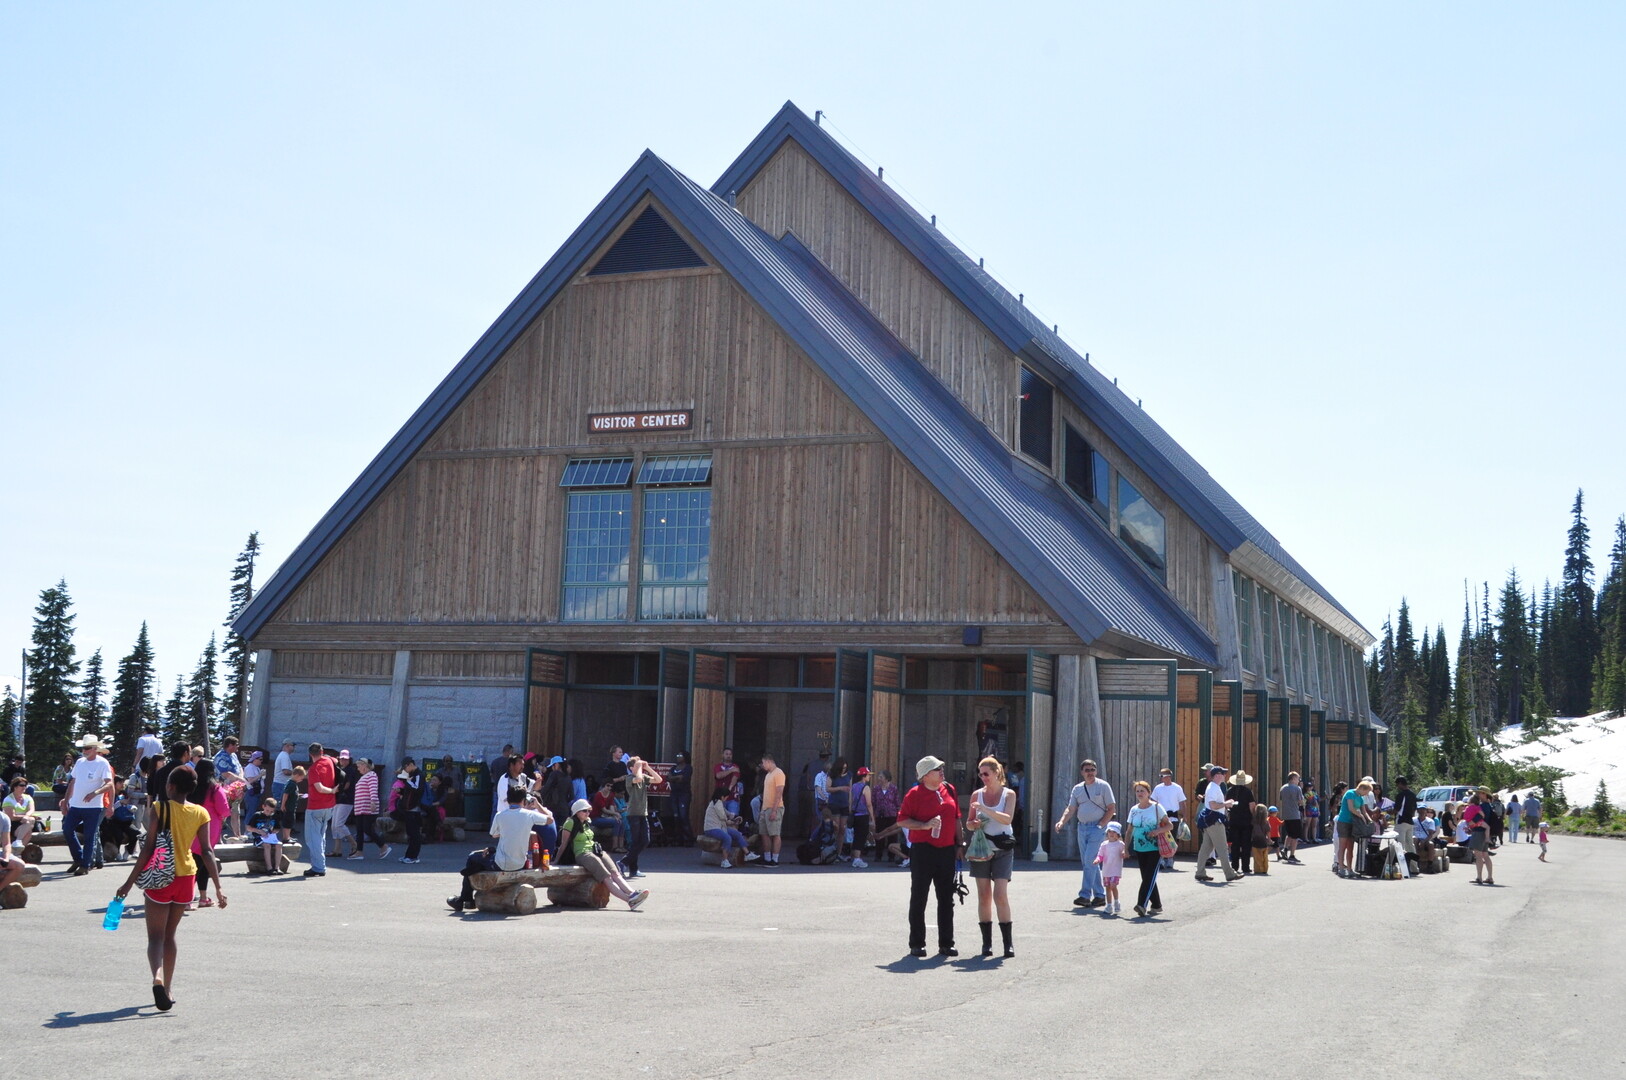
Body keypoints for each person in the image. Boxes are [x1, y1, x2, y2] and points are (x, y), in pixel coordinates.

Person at [115, 764, 226, 1012]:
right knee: (170, 935)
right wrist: (218, 888)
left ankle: (157, 977)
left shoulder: (159, 808)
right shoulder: (200, 813)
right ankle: (168, 988)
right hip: (186, 877)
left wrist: (129, 882)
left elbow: (148, 848)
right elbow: (207, 851)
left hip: (160, 876)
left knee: (155, 937)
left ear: (171, 786)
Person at [447, 785, 554, 912]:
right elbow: (550, 819)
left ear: (508, 800)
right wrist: (537, 805)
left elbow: (494, 834)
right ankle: (466, 898)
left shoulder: (500, 815)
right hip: (520, 863)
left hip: (501, 864)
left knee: (472, 857)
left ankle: (465, 899)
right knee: (482, 860)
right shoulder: (530, 815)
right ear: (524, 800)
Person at [899, 755, 961, 958]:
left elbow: (956, 818)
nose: (942, 771)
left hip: (946, 851)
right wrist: (924, 825)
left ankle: (946, 943)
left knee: (946, 898)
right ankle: (917, 943)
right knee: (919, 897)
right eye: (937, 769)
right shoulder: (914, 794)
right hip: (923, 850)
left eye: (941, 767)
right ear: (925, 775)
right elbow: (902, 820)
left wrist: (960, 844)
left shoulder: (949, 789)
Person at [966, 756, 1016, 956]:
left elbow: (1007, 819)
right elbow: (969, 822)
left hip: (1003, 849)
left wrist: (985, 810)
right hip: (981, 849)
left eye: (986, 773)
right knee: (984, 895)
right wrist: (973, 824)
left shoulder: (1008, 794)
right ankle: (987, 943)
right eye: (980, 774)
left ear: (997, 773)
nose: (983, 777)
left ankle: (1008, 943)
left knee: (1000, 894)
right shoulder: (976, 795)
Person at [557, 799, 648, 908]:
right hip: (582, 853)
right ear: (577, 811)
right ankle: (629, 900)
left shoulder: (587, 821)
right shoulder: (570, 822)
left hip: (595, 851)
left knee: (615, 872)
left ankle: (633, 893)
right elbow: (563, 844)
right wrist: (556, 860)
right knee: (606, 876)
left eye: (588, 811)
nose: (587, 813)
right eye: (584, 811)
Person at [1055, 759, 1116, 908]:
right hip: (1082, 828)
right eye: (1087, 770)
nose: (1090, 773)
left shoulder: (1103, 786)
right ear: (1082, 772)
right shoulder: (1078, 789)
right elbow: (1071, 809)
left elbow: (1111, 808)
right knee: (1089, 863)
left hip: (1097, 829)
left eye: (1092, 770)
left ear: (1096, 771)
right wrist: (1062, 821)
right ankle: (1100, 895)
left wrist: (1101, 825)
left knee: (1089, 861)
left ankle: (1085, 895)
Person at [61, 735, 114, 876]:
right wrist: (66, 801)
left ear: (95, 749)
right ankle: (79, 858)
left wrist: (95, 793)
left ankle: (85, 865)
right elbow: (72, 782)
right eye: (83, 748)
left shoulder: (102, 763)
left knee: (90, 835)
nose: (84, 750)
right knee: (67, 830)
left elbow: (109, 783)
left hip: (94, 806)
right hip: (76, 805)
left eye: (87, 748)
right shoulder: (79, 762)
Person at [1126, 780, 1171, 918]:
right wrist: (1125, 848)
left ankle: (1141, 904)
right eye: (1137, 791)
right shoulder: (1134, 810)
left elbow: (1169, 826)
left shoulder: (1157, 808)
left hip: (1155, 847)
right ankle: (1156, 905)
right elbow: (1129, 831)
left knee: (1149, 876)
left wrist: (1157, 831)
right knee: (1147, 877)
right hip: (1139, 848)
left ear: (1149, 793)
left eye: (1142, 791)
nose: (1140, 793)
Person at [1194, 765, 1241, 883]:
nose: (1225, 775)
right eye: (1223, 773)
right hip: (1214, 820)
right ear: (1217, 776)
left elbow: (1212, 804)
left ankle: (1200, 872)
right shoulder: (1214, 788)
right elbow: (1213, 805)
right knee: (1222, 848)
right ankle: (1229, 873)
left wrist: (1226, 803)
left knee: (1206, 848)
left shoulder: (1213, 787)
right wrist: (1226, 804)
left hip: (1210, 820)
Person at [301, 743, 338, 877]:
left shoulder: (313, 769)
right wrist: (333, 791)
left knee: (313, 838)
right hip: (329, 806)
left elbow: (319, 788)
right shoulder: (329, 761)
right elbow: (335, 760)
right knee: (321, 836)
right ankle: (320, 865)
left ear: (310, 754)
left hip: (315, 806)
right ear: (322, 751)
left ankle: (318, 867)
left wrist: (331, 790)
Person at [701, 786, 755, 867]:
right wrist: (732, 822)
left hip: (720, 827)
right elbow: (724, 818)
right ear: (722, 796)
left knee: (736, 834)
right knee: (727, 838)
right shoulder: (717, 803)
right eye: (726, 797)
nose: (726, 798)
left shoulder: (718, 803)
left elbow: (727, 814)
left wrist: (735, 817)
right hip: (711, 828)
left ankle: (747, 854)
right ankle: (724, 860)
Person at [623, 756, 658, 878]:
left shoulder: (643, 777)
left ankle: (623, 863)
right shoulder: (629, 778)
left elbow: (658, 780)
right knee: (635, 842)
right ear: (631, 768)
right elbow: (637, 778)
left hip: (643, 813)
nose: (640, 768)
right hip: (633, 813)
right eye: (637, 766)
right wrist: (638, 767)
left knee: (644, 840)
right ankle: (633, 869)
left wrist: (647, 767)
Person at [349, 758, 389, 859]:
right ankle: (359, 852)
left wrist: (373, 802)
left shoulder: (371, 775)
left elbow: (373, 790)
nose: (358, 769)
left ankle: (383, 846)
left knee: (367, 829)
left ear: (365, 765)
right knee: (360, 830)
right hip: (361, 808)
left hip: (367, 808)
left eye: (359, 766)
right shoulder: (365, 776)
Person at [1335, 781, 1374, 878]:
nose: (1367, 794)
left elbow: (1364, 812)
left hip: (1354, 824)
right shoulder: (1350, 793)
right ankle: (1341, 868)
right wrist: (1360, 816)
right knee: (1342, 846)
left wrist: (1370, 821)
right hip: (1344, 822)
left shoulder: (1361, 798)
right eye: (1367, 792)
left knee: (1350, 847)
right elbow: (1351, 808)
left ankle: (1349, 869)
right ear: (1362, 789)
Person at [390, 758, 425, 864]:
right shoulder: (414, 775)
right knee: (411, 833)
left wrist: (407, 781)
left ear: (410, 765)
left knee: (414, 834)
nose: (405, 770)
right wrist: (401, 791)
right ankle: (409, 855)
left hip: (414, 808)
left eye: (405, 767)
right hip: (408, 808)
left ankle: (413, 856)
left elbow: (417, 789)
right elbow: (410, 791)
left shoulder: (418, 774)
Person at [1151, 768, 1187, 871]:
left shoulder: (1177, 788)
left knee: (1172, 839)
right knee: (1161, 838)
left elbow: (1182, 802)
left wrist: (1185, 816)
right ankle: (1161, 859)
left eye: (1163, 776)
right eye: (1161, 776)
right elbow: (1153, 802)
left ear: (1169, 776)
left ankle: (1170, 859)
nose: (1162, 778)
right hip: (1161, 817)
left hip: (1173, 817)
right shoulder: (1158, 788)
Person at [1226, 770, 1257, 875]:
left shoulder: (1230, 791)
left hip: (1234, 820)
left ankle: (1234, 866)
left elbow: (1227, 806)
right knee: (1246, 845)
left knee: (1235, 845)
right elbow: (1252, 806)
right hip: (1246, 821)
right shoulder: (1248, 792)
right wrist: (1254, 817)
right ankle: (1245, 867)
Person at [757, 752, 786, 866]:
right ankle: (767, 858)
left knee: (775, 833)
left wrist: (774, 810)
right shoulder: (768, 774)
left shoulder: (779, 773)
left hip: (775, 807)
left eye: (763, 763)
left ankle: (775, 859)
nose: (763, 765)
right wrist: (762, 810)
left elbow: (779, 792)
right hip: (765, 808)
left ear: (768, 761)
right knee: (764, 833)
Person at [329, 749, 359, 857]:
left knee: (339, 824)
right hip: (338, 799)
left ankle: (354, 843)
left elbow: (347, 785)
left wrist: (337, 789)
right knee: (334, 826)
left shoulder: (350, 770)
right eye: (342, 759)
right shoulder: (339, 769)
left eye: (345, 759)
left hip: (346, 799)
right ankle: (337, 849)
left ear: (349, 760)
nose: (343, 761)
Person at [1094, 822, 1126, 916]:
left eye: (1114, 832)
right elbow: (1100, 855)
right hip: (1106, 870)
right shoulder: (1104, 844)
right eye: (1109, 832)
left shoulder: (1120, 844)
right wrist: (1097, 860)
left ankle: (1116, 902)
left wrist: (1124, 853)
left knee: (1113, 886)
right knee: (1107, 888)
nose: (1111, 834)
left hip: (1116, 870)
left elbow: (1124, 851)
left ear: (1118, 834)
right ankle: (1109, 905)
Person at [1464, 789, 1494, 884]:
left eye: (1479, 792)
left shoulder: (1482, 806)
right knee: (1485, 855)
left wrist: (1470, 823)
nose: (1477, 794)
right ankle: (1489, 877)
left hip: (1479, 832)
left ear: (1484, 794)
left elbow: (1480, 817)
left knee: (1478, 855)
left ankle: (1479, 877)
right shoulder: (1488, 805)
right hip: (1484, 832)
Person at [249, 796, 285, 873]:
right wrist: (258, 831)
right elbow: (248, 827)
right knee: (267, 845)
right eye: (267, 810)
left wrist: (274, 831)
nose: (269, 813)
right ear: (263, 807)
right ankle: (269, 868)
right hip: (259, 838)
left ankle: (277, 868)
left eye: (271, 811)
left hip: (270, 837)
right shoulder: (257, 815)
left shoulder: (274, 816)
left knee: (279, 845)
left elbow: (277, 828)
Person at [872, 770, 901, 864]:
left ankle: (891, 856)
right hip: (880, 814)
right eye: (879, 777)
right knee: (879, 834)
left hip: (891, 814)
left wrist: (898, 813)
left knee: (892, 835)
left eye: (881, 777)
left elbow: (897, 802)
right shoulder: (876, 788)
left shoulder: (893, 788)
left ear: (886, 778)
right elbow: (873, 802)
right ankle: (878, 855)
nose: (879, 779)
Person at [589, 779, 627, 851]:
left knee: (620, 821)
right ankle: (615, 847)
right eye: (607, 786)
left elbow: (611, 807)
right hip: (596, 818)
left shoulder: (611, 795)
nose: (609, 788)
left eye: (611, 786)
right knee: (616, 822)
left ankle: (621, 846)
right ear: (603, 786)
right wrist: (615, 814)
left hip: (605, 817)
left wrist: (615, 816)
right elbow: (604, 810)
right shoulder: (599, 795)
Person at [4, 777, 40, 852]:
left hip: (26, 823)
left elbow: (31, 810)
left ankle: (16, 848)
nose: (24, 787)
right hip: (12, 824)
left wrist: (26, 816)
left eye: (25, 785)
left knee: (30, 822)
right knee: (29, 827)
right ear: (15, 787)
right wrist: (26, 817)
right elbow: (12, 817)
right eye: (22, 785)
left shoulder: (28, 797)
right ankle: (16, 849)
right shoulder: (8, 799)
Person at [826, 758, 852, 860]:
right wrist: (840, 788)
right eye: (842, 768)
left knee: (842, 829)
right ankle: (832, 850)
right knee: (836, 828)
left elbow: (850, 790)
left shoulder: (849, 775)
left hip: (845, 804)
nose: (844, 769)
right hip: (834, 803)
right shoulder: (832, 775)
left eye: (845, 768)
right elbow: (827, 788)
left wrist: (850, 804)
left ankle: (839, 852)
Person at [1277, 772, 1305, 863]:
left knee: (1289, 833)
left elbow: (1281, 799)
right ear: (1293, 778)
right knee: (1295, 836)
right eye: (1297, 778)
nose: (1298, 780)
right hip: (1294, 814)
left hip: (1286, 814)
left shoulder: (1283, 788)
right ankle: (1292, 854)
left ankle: (1285, 849)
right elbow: (1301, 802)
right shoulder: (1297, 788)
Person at [850, 766, 874, 869]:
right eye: (868, 775)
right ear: (864, 776)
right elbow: (869, 804)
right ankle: (857, 859)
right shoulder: (866, 788)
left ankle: (855, 857)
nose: (869, 777)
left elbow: (850, 801)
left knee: (856, 836)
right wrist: (872, 817)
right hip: (863, 815)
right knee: (861, 837)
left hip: (855, 814)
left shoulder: (854, 786)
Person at [279, 765, 305, 846]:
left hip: (292, 807)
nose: (301, 780)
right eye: (301, 778)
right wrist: (283, 805)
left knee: (290, 822)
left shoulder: (292, 783)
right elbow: (285, 794)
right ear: (297, 775)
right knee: (288, 823)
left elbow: (292, 794)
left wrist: (299, 795)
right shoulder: (291, 784)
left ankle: (287, 836)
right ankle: (286, 838)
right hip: (289, 807)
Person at [1250, 802, 1271, 875]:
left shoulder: (1253, 821)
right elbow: (1268, 831)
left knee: (1257, 857)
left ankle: (1258, 869)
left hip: (1255, 840)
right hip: (1263, 840)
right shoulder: (1266, 821)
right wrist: (1269, 839)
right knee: (1264, 856)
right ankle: (1265, 868)